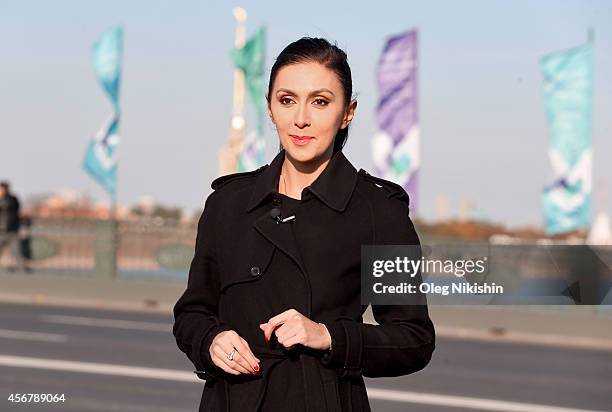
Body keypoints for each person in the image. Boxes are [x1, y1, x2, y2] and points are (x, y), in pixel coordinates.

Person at [173, 37, 435, 412]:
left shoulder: (379, 211)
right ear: (270, 108)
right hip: (231, 401)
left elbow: (414, 339)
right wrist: (210, 341)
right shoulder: (227, 204)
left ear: (348, 112)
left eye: (320, 101)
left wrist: (328, 337)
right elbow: (192, 314)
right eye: (287, 100)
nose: (301, 119)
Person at [0, 181, 29, 273]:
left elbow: (14, 209)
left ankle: (22, 269)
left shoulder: (12, 199)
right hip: (1, 231)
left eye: (2, 189)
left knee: (16, 251)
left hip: (12, 230)